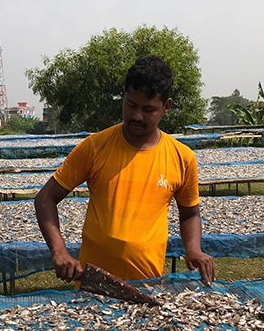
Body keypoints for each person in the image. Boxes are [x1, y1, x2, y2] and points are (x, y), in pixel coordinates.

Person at [34, 55, 215, 286]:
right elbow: (45, 199)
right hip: (93, 287)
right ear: (123, 98)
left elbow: (189, 213)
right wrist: (59, 251)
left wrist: (193, 249)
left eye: (148, 109)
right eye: (131, 105)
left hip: (148, 287)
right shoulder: (94, 147)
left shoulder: (182, 157)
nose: (137, 116)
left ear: (166, 107)